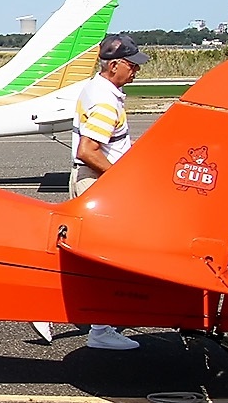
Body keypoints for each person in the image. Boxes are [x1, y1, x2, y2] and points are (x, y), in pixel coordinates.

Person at [34, 33, 151, 350]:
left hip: (88, 178)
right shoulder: (105, 101)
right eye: (131, 64)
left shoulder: (98, 89)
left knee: (87, 254)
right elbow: (89, 150)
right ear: (114, 65)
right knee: (104, 257)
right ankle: (100, 329)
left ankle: (48, 309)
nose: (136, 71)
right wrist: (120, 179)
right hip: (97, 180)